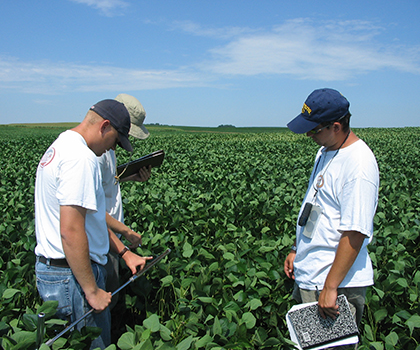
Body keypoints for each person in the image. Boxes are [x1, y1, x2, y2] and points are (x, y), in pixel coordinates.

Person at [34, 99, 152, 349]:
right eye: (115, 141)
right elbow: (71, 230)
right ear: (105, 126)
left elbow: (90, 221)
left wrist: (124, 252)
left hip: (59, 273)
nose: (112, 149)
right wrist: (91, 290)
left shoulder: (61, 145)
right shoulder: (81, 158)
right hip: (72, 279)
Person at [283, 88, 379, 345]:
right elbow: (317, 207)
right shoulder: (326, 150)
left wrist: (330, 287)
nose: (309, 135)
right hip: (312, 274)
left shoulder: (358, 165)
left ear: (336, 126)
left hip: (334, 285)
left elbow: (355, 232)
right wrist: (297, 248)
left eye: (314, 129)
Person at [99, 94, 151, 324]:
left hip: (110, 237)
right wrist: (125, 242)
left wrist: (130, 177)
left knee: (111, 302)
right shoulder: (96, 153)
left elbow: (108, 183)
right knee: (103, 308)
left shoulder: (108, 149)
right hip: (103, 238)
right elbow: (91, 211)